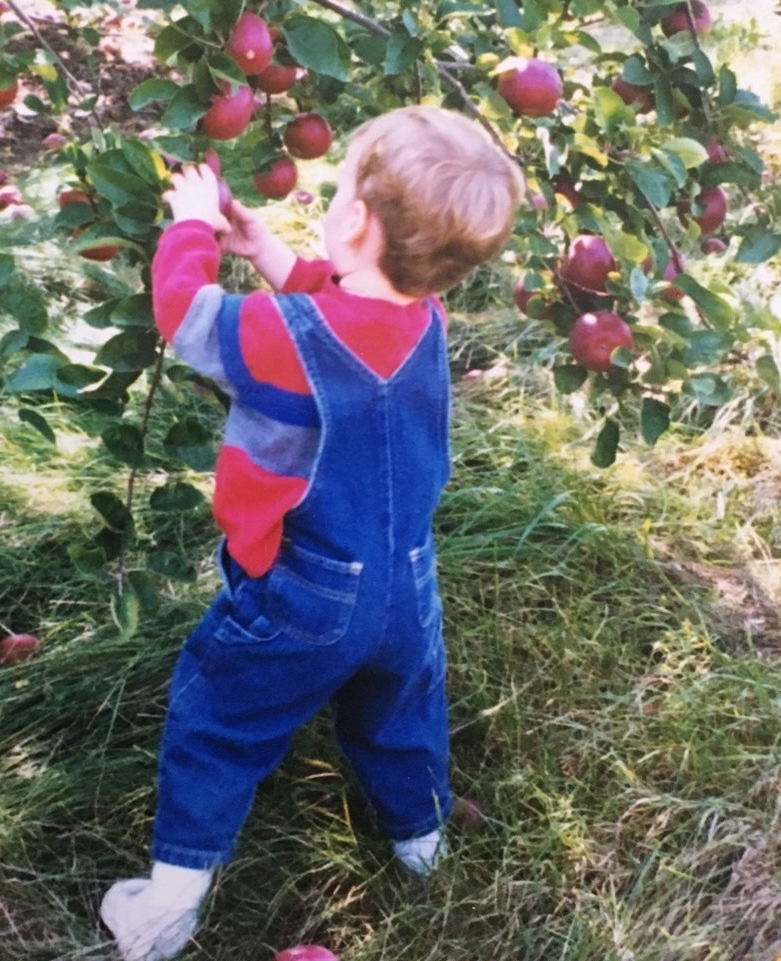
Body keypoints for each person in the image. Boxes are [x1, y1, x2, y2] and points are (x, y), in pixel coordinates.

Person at [100, 105, 524, 961]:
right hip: (405, 583)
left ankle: (164, 912)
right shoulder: (426, 320)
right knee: (399, 712)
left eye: (337, 193)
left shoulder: (275, 337)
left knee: (218, 721)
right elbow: (349, 318)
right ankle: (421, 848)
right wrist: (270, 255)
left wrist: (191, 230)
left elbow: (186, 319)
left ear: (358, 222)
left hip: (304, 589)